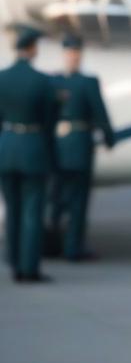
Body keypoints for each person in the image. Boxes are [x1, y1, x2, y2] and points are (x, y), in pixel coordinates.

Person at [46, 33, 116, 260]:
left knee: (76, 201)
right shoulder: (55, 81)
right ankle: (55, 243)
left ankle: (72, 247)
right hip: (63, 147)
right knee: (58, 199)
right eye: (70, 53)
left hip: (75, 146)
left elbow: (100, 114)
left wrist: (108, 137)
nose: (73, 57)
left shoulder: (85, 81)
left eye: (76, 53)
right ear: (65, 55)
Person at [0, 24, 57, 282]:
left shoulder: (3, 78)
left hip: (7, 146)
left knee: (12, 210)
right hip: (32, 147)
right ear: (32, 49)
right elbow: (49, 122)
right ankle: (29, 268)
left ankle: (13, 262)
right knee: (32, 213)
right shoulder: (42, 80)